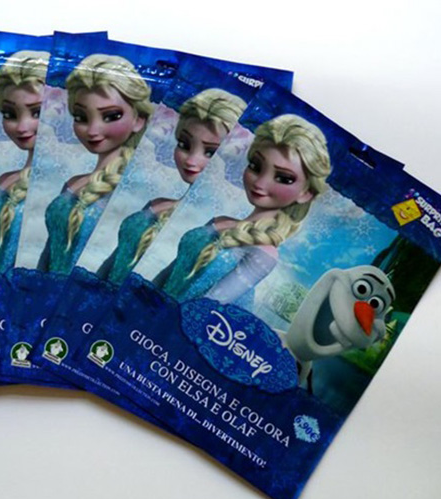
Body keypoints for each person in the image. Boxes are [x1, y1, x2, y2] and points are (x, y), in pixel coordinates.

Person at [155, 113, 331, 310]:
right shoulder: (219, 221)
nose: (260, 183)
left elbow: (209, 305)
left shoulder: (265, 254)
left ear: (306, 193)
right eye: (256, 166)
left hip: (181, 321)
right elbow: (171, 272)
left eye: (284, 178)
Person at [97, 88, 247, 284]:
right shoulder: (157, 205)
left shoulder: (234, 230)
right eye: (184, 144)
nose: (191, 161)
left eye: (210, 152)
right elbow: (113, 262)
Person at [37, 54, 153, 274]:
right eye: (81, 117)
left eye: (111, 116)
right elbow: (50, 251)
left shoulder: (136, 189)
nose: (92, 130)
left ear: (139, 119)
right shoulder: (73, 184)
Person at [0, 51, 49, 272]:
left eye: (37, 112)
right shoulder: (3, 181)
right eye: (10, 114)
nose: (21, 127)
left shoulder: (66, 186)